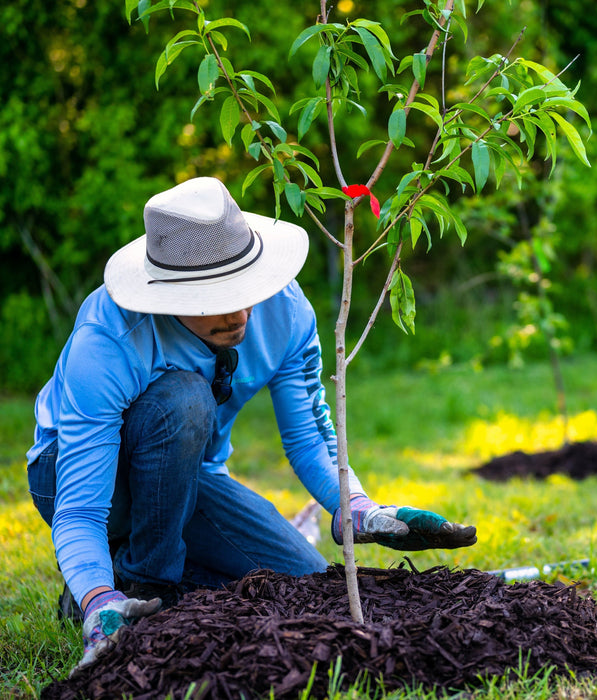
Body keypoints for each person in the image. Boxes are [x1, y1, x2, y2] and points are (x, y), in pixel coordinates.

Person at [26, 176, 477, 669]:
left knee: (302, 580)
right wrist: (98, 599)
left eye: (245, 288)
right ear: (169, 295)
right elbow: (80, 509)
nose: (240, 312)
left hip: (188, 479)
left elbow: (309, 435)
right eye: (213, 297)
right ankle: (130, 588)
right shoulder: (110, 340)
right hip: (77, 477)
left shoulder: (285, 311)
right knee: (185, 398)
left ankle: (128, 574)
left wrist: (357, 509)